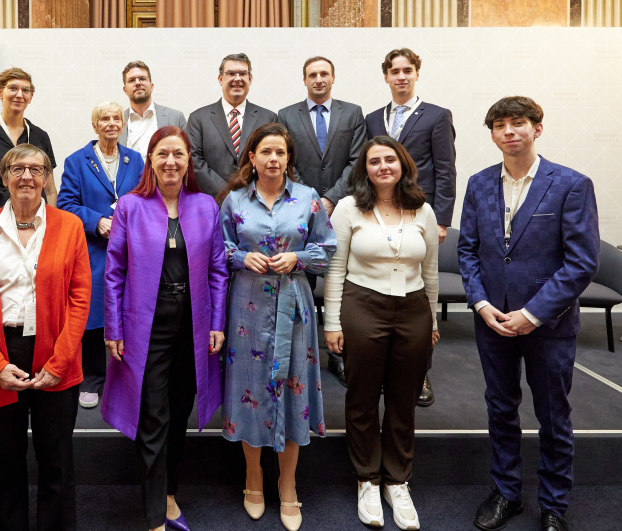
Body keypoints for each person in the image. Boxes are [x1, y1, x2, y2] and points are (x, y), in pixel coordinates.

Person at [459, 97, 599, 531]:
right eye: (500, 125)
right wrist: (481, 304)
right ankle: (506, 493)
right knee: (500, 409)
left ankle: (554, 504)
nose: (509, 132)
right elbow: (468, 251)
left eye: (517, 123)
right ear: (493, 134)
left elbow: (581, 262)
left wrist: (532, 314)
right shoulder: (479, 183)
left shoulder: (571, 184)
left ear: (537, 128)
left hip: (548, 324)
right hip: (492, 321)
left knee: (553, 414)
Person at [0, 144, 91, 531]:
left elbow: (80, 300)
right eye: (17, 169)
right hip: (0, 353)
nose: (27, 176)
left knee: (57, 460)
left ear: (47, 177)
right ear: (4, 177)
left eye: (36, 169)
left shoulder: (68, 227)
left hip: (55, 353)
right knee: (4, 460)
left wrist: (59, 362)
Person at [102, 126, 228, 531]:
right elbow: (115, 272)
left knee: (178, 410)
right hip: (146, 324)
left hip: (193, 323)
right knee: (152, 414)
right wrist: (114, 328)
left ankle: (170, 493)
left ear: (189, 160)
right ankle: (156, 514)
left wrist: (217, 322)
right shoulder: (131, 207)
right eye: (162, 154)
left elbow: (218, 270)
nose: (171, 162)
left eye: (178, 154)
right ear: (150, 161)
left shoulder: (206, 205)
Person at [218, 122, 336, 531]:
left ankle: (287, 482)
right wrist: (239, 258)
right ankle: (254, 478)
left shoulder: (309, 200)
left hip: (294, 307)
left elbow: (328, 250)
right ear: (251, 157)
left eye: (280, 153)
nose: (273, 159)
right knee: (250, 387)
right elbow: (219, 249)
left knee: (292, 388)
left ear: (289, 159)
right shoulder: (234, 200)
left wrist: (298, 258)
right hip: (247, 308)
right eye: (265, 152)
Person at [324, 135, 439, 531]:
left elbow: (431, 272)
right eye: (374, 161)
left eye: (390, 160)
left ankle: (397, 481)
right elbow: (335, 269)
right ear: (364, 169)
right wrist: (332, 322)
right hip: (363, 306)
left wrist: (434, 322)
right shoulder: (348, 208)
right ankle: (367, 479)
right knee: (362, 396)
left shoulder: (422, 210)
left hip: (413, 309)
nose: (383, 167)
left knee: (404, 398)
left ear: (403, 164)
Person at [364, 47, 456, 406]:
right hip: (380, 215)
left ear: (417, 73)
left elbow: (445, 168)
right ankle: (386, 370)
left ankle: (420, 372)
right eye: (394, 71)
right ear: (385, 76)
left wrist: (443, 219)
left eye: (407, 70)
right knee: (385, 295)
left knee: (418, 298)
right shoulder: (372, 119)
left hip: (420, 214)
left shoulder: (436, 116)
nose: (401, 76)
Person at [278, 55, 367, 387]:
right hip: (298, 209)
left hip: (344, 207)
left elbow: (358, 160)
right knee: (304, 277)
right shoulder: (286, 115)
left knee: (340, 277)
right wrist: (310, 200)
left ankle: (339, 355)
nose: (318, 79)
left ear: (333, 78)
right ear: (304, 80)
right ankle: (301, 351)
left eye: (324, 74)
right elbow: (287, 160)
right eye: (312, 74)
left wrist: (329, 199)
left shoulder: (353, 113)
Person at [57, 101, 144, 409]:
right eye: (104, 119)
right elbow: (65, 204)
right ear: (94, 125)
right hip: (92, 250)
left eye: (116, 118)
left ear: (123, 124)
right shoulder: (76, 161)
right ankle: (92, 378)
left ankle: (126, 377)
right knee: (93, 313)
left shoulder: (136, 160)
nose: (111, 123)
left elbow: (146, 199)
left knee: (129, 311)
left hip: (130, 251)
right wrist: (98, 221)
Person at [186, 53, 279, 196]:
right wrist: (228, 194)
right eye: (231, 73)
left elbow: (273, 160)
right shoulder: (198, 118)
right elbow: (194, 162)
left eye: (242, 73)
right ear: (220, 79)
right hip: (213, 202)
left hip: (257, 199)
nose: (237, 78)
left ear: (250, 79)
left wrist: (250, 193)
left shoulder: (268, 118)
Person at [0, 67, 57, 206]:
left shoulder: (40, 136)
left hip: (35, 216)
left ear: (30, 97)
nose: (19, 95)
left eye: (25, 90)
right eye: (13, 88)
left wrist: (51, 224)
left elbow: (50, 191)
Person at [119, 61, 187, 160]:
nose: (138, 83)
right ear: (125, 90)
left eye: (142, 78)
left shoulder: (176, 117)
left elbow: (186, 156)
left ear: (151, 86)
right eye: (132, 80)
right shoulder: (117, 122)